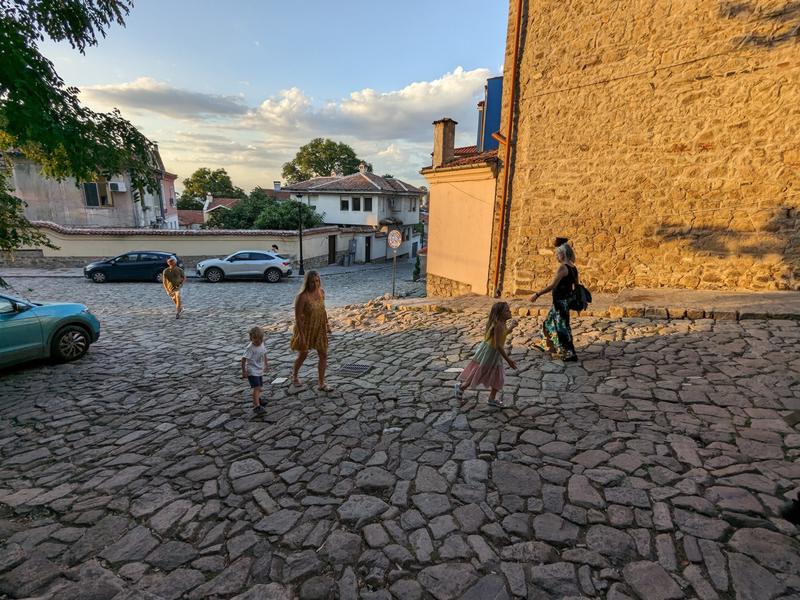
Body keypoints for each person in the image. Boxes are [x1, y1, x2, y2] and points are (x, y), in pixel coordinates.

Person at [455, 301, 518, 407]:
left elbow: (502, 334)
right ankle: (461, 387)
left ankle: (491, 398)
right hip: (490, 352)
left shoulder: (502, 323)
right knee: (479, 372)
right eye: (507, 310)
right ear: (499, 314)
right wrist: (509, 360)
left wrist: (511, 327)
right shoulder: (498, 324)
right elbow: (498, 345)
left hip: (494, 353)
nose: (510, 311)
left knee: (498, 376)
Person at [530, 242, 579, 361]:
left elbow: (552, 285)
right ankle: (546, 344)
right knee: (549, 323)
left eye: (558, 254)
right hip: (563, 302)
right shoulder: (573, 268)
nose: (556, 256)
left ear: (563, 254)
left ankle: (569, 353)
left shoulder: (563, 267)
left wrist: (537, 294)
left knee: (562, 327)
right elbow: (576, 286)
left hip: (560, 303)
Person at [290, 270, 332, 392]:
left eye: (317, 281)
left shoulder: (321, 292)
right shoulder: (302, 297)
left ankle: (321, 383)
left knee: (323, 354)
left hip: (319, 328)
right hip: (305, 329)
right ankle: (295, 375)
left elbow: (323, 310)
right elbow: (297, 317)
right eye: (312, 282)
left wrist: (327, 325)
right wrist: (302, 336)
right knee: (303, 354)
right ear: (307, 282)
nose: (315, 284)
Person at [241, 326, 268, 413]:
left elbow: (264, 353)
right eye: (255, 340)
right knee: (256, 387)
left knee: (259, 387)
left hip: (259, 369)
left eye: (260, 340)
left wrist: (266, 364)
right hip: (252, 370)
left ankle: (258, 400)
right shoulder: (250, 348)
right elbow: (243, 359)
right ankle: (256, 406)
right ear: (251, 338)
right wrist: (244, 371)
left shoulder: (262, 344)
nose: (258, 342)